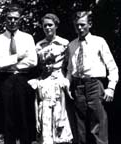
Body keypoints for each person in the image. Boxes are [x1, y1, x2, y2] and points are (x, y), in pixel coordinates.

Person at [66, 10, 119, 144]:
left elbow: (112, 66)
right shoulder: (72, 45)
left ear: (90, 24)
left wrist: (111, 87)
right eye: (77, 25)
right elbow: (70, 69)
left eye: (83, 25)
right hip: (78, 87)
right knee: (80, 127)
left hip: (95, 85)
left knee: (98, 126)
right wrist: (67, 84)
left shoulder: (99, 41)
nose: (80, 28)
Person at [0, 4, 37, 144]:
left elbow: (33, 61)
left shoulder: (27, 38)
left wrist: (8, 62)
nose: (12, 21)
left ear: (20, 20)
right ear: (5, 19)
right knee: (7, 119)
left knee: (24, 118)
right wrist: (17, 57)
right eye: (9, 18)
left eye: (15, 18)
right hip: (5, 80)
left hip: (23, 79)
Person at [28, 13, 73, 144]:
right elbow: (39, 66)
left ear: (56, 26)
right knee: (46, 115)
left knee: (61, 116)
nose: (48, 28)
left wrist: (66, 81)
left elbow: (69, 65)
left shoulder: (64, 43)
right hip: (45, 80)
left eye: (50, 25)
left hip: (60, 80)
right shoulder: (39, 45)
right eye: (45, 25)